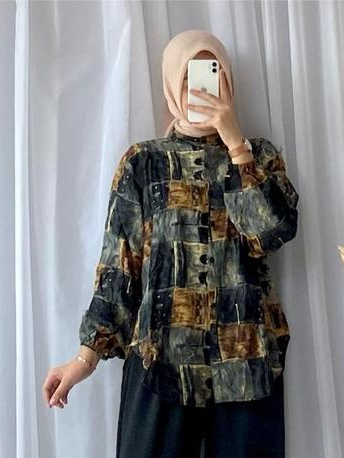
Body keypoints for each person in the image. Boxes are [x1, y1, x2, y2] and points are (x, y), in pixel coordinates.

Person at [42, 29, 299, 458]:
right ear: (171, 85)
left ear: (227, 80)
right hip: (159, 360)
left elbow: (272, 233)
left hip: (246, 363)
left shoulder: (260, 157)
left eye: (212, 73)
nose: (202, 88)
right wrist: (84, 358)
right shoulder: (143, 162)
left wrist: (236, 145)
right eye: (189, 77)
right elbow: (120, 267)